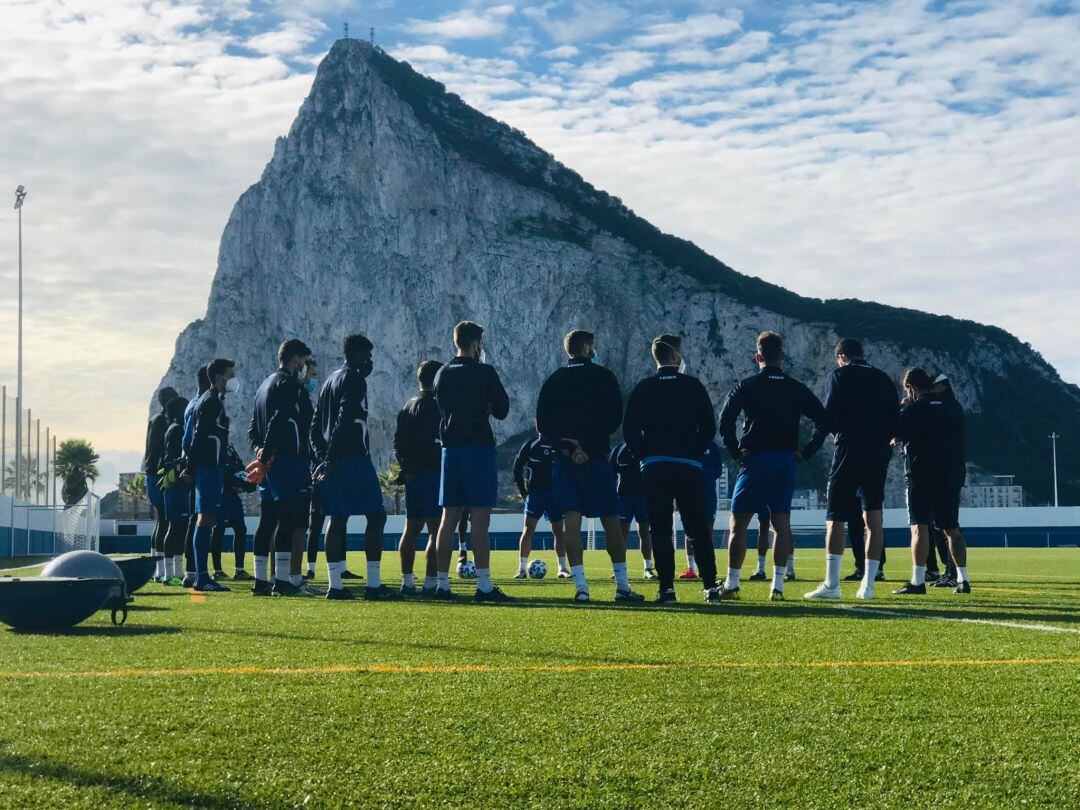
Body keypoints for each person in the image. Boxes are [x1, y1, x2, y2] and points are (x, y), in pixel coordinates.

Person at [718, 332, 828, 600]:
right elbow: (824, 421)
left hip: (755, 459)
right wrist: (806, 453)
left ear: (758, 357)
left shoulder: (747, 385)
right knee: (781, 523)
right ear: (782, 356)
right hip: (785, 461)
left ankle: (732, 584)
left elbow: (725, 421)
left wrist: (735, 452)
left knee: (739, 524)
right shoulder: (796, 387)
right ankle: (777, 586)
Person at [537, 329, 642, 603]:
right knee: (610, 519)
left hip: (564, 459)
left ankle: (581, 587)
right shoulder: (604, 377)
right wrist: (588, 444)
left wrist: (569, 447)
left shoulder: (554, 380)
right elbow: (615, 417)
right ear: (586, 348)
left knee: (571, 521)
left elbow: (542, 427)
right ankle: (622, 586)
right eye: (593, 346)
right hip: (596, 456)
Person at [623, 334, 719, 604]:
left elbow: (630, 429)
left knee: (660, 527)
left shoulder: (644, 387)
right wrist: (694, 451)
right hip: (688, 464)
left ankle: (667, 588)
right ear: (676, 355)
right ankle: (710, 586)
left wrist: (645, 454)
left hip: (655, 466)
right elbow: (709, 427)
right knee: (697, 526)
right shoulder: (693, 385)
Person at [805, 338, 899, 601]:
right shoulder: (883, 379)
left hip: (849, 449)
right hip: (877, 452)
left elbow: (827, 417)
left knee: (835, 517)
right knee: (874, 519)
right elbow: (895, 422)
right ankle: (868, 586)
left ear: (842, 356)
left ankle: (832, 584)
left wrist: (808, 451)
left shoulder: (840, 375)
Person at [431, 321, 512, 602]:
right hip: (477, 448)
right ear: (476, 343)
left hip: (450, 450)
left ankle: (442, 584)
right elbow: (502, 409)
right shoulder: (484, 372)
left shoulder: (441, 373)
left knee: (448, 518)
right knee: (480, 519)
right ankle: (485, 586)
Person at [312, 333, 396, 600]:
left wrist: (323, 457)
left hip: (333, 459)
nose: (369, 361)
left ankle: (335, 586)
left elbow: (314, 428)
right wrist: (333, 457)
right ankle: (373, 585)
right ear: (356, 354)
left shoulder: (328, 382)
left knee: (337, 518)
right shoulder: (354, 380)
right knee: (376, 516)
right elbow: (345, 419)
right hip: (353, 458)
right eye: (367, 356)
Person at [893, 369, 972, 594]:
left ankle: (918, 581)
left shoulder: (915, 409)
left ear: (910, 387)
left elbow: (894, 430)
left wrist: (903, 407)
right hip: (951, 474)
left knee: (920, 528)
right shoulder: (954, 407)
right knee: (951, 528)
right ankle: (963, 579)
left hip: (921, 474)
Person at [248, 340, 316, 597]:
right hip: (286, 459)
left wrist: (260, 450)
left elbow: (253, 427)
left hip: (270, 462)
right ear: (295, 359)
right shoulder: (288, 385)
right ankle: (284, 582)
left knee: (267, 522)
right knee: (289, 520)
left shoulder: (263, 386)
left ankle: (261, 580)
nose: (303, 366)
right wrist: (268, 454)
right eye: (302, 360)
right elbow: (280, 419)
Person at [394, 360, 444, 595]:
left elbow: (397, 444)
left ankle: (406, 581)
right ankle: (431, 582)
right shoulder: (436, 406)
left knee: (411, 529)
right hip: (432, 474)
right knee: (437, 530)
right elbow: (437, 442)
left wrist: (407, 466)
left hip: (413, 476)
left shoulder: (407, 406)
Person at [188, 358, 238, 593]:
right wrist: (190, 467)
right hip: (208, 469)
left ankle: (202, 576)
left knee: (207, 518)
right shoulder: (210, 402)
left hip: (211, 468)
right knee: (205, 518)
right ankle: (202, 577)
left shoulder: (213, 400)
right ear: (219, 378)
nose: (233, 379)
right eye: (230, 375)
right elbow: (199, 437)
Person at [513, 432, 566, 579]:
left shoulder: (559, 445)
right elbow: (517, 467)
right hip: (535, 494)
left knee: (559, 531)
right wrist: (523, 491)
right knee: (528, 529)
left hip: (554, 494)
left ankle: (562, 568)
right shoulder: (531, 445)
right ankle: (522, 569)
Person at [143, 386, 178, 582]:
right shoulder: (162, 421)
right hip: (159, 475)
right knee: (166, 521)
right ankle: (164, 570)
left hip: (152, 474)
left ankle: (157, 569)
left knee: (161, 521)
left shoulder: (154, 420)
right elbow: (159, 450)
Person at [180, 365, 211, 587]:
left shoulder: (192, 403)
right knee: (199, 518)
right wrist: (191, 466)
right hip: (201, 466)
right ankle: (195, 573)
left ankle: (193, 571)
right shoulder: (201, 403)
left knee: (196, 517)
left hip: (195, 465)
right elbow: (189, 439)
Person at [609, 442, 656, 580]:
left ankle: (647, 568)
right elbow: (611, 472)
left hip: (644, 497)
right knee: (622, 534)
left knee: (644, 533)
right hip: (624, 497)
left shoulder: (648, 447)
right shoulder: (619, 450)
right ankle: (620, 568)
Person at [158, 396, 190, 585]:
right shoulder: (176, 429)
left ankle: (177, 571)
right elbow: (171, 458)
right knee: (175, 526)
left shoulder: (174, 429)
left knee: (180, 526)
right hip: (174, 483)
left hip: (175, 483)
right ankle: (169, 574)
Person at [210, 443, 252, 580]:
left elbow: (238, 466)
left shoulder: (228, 447)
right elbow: (222, 471)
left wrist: (246, 481)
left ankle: (239, 570)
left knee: (241, 529)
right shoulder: (213, 445)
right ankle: (217, 570)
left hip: (233, 494)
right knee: (218, 529)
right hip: (220, 494)